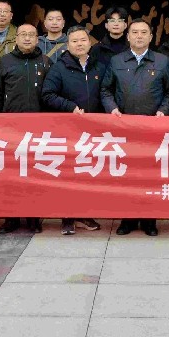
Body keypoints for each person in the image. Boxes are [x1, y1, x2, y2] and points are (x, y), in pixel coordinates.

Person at [101, 19, 169, 237]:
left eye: (144, 32)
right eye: (135, 32)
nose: (139, 36)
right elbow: (106, 90)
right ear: (128, 36)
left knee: (150, 176)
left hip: (153, 129)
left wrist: (163, 111)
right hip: (124, 129)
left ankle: (150, 220)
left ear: (151, 37)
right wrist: (112, 108)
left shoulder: (162, 61)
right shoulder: (116, 61)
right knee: (127, 176)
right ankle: (128, 219)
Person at [42, 26, 106, 235]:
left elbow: (106, 92)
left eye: (83, 40)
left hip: (93, 131)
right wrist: (70, 107)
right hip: (68, 129)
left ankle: (83, 213)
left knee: (86, 173)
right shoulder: (59, 68)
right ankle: (67, 218)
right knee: (68, 173)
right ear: (67, 45)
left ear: (90, 42)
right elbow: (48, 94)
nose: (79, 44)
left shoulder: (99, 66)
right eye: (74, 41)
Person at [0, 23, 49, 234]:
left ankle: (34, 217)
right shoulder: (6, 61)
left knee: (35, 173)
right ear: (16, 38)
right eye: (23, 34)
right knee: (11, 174)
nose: (27, 38)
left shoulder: (45, 62)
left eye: (31, 35)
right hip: (11, 128)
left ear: (37, 39)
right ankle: (11, 217)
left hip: (38, 128)